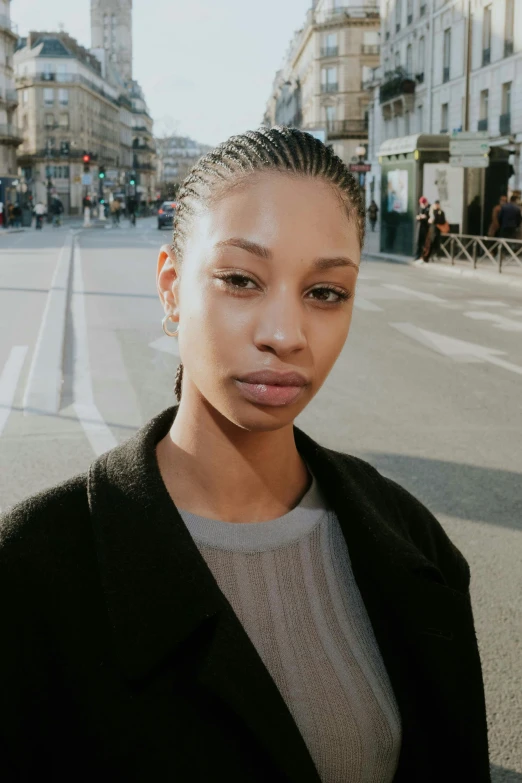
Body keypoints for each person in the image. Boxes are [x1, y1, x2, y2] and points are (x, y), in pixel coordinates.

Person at [0, 126, 490, 783]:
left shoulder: (412, 540)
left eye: (325, 293)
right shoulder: (30, 570)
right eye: (240, 279)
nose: (286, 334)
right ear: (172, 288)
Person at [414, 196, 430, 261]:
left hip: (426, 228)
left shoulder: (428, 208)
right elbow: (417, 216)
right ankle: (417, 255)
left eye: (423, 203)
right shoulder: (420, 208)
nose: (422, 205)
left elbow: (426, 216)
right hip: (419, 227)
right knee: (418, 242)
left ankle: (424, 256)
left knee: (425, 243)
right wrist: (420, 216)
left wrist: (422, 216)